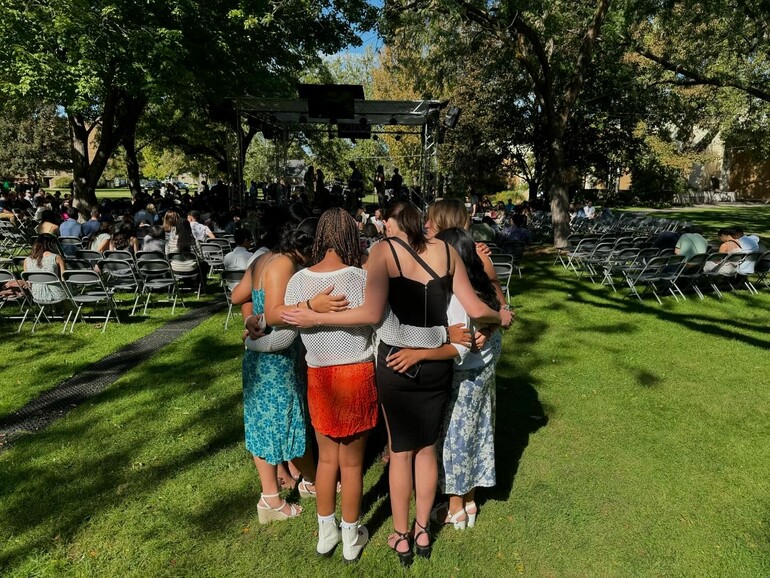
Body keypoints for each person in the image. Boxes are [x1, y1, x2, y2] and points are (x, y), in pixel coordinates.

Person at [281, 202, 512, 566]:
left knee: (396, 453)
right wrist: (500, 316)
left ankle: (396, 536)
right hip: (435, 363)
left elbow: (378, 320)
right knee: (426, 450)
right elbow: (475, 309)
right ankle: (421, 531)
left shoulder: (377, 255)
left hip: (388, 364)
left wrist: (306, 312)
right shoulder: (447, 252)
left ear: (390, 223)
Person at [247, 208, 466, 560]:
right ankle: (351, 538)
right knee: (351, 466)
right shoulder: (361, 277)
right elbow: (387, 327)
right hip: (357, 376)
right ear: (353, 236)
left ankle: (325, 535)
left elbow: (281, 330)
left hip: (319, 378)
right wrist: (442, 334)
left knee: (325, 463)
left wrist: (255, 337)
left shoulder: (300, 282)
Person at [389, 227, 502, 531]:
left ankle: (454, 508)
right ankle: (469, 500)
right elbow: (502, 316)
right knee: (477, 434)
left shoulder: (456, 299)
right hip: (485, 375)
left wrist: (420, 354)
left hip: (463, 379)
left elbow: (459, 348)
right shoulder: (483, 289)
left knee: (454, 441)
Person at [24, 234, 67, 303]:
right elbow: (64, 278)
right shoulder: (56, 257)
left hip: (36, 295)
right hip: (57, 294)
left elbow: (27, 281)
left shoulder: (27, 260)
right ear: (52, 244)